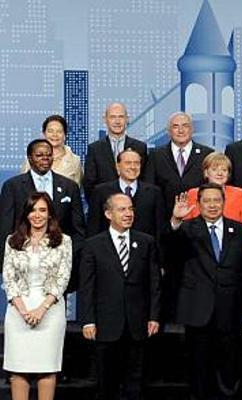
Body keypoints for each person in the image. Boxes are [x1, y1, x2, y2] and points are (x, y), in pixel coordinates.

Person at [166, 184, 242, 400]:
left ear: (224, 201)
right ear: (199, 202)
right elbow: (169, 254)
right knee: (200, 374)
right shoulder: (187, 229)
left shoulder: (239, 231)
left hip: (231, 311)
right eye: (207, 200)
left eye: (217, 200)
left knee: (229, 374)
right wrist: (175, 220)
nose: (213, 205)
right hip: (198, 312)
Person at [78, 193, 161, 400]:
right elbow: (87, 286)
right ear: (107, 214)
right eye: (122, 209)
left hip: (137, 323)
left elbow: (154, 283)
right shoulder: (93, 245)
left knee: (135, 381)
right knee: (106, 381)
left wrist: (154, 316)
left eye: (131, 209)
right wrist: (88, 320)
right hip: (106, 324)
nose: (128, 214)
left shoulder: (145, 242)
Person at [2, 192, 72, 400]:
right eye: (33, 210)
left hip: (49, 309)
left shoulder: (63, 241)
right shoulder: (13, 241)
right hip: (18, 309)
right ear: (26, 214)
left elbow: (62, 279)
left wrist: (41, 309)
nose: (38, 215)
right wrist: (23, 310)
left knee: (46, 367)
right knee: (17, 369)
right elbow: (8, 278)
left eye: (43, 210)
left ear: (50, 214)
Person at [0, 139, 85, 286]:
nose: (45, 158)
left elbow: (78, 229)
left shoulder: (69, 187)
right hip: (23, 267)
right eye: (39, 155)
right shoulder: (12, 186)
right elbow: (6, 228)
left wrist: (70, 259)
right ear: (30, 158)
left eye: (48, 155)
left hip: (58, 269)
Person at [142, 112, 213, 214]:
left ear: (192, 129)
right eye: (175, 126)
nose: (181, 130)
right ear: (169, 131)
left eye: (185, 126)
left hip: (198, 218)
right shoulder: (155, 155)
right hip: (164, 218)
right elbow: (149, 188)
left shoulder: (207, 154)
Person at [87, 149, 165, 237]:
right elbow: (93, 229)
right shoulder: (101, 192)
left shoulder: (154, 193)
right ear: (117, 166)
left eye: (136, 163)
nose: (133, 167)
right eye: (128, 163)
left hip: (145, 249)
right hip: (108, 249)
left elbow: (159, 230)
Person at [83, 102, 148, 199]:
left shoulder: (140, 147)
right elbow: (89, 184)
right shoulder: (95, 149)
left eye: (121, 117)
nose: (117, 121)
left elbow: (145, 181)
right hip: (105, 208)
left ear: (127, 119)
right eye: (113, 117)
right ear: (105, 119)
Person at [182, 152, 242, 236]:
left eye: (224, 170)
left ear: (228, 174)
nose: (220, 173)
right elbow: (185, 228)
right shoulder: (193, 193)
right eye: (214, 169)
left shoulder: (239, 193)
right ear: (206, 173)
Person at [20, 115, 84, 186]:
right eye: (50, 131)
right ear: (44, 134)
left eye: (59, 131)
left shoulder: (75, 161)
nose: (54, 135)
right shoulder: (31, 159)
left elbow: (76, 190)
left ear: (65, 135)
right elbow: (22, 187)